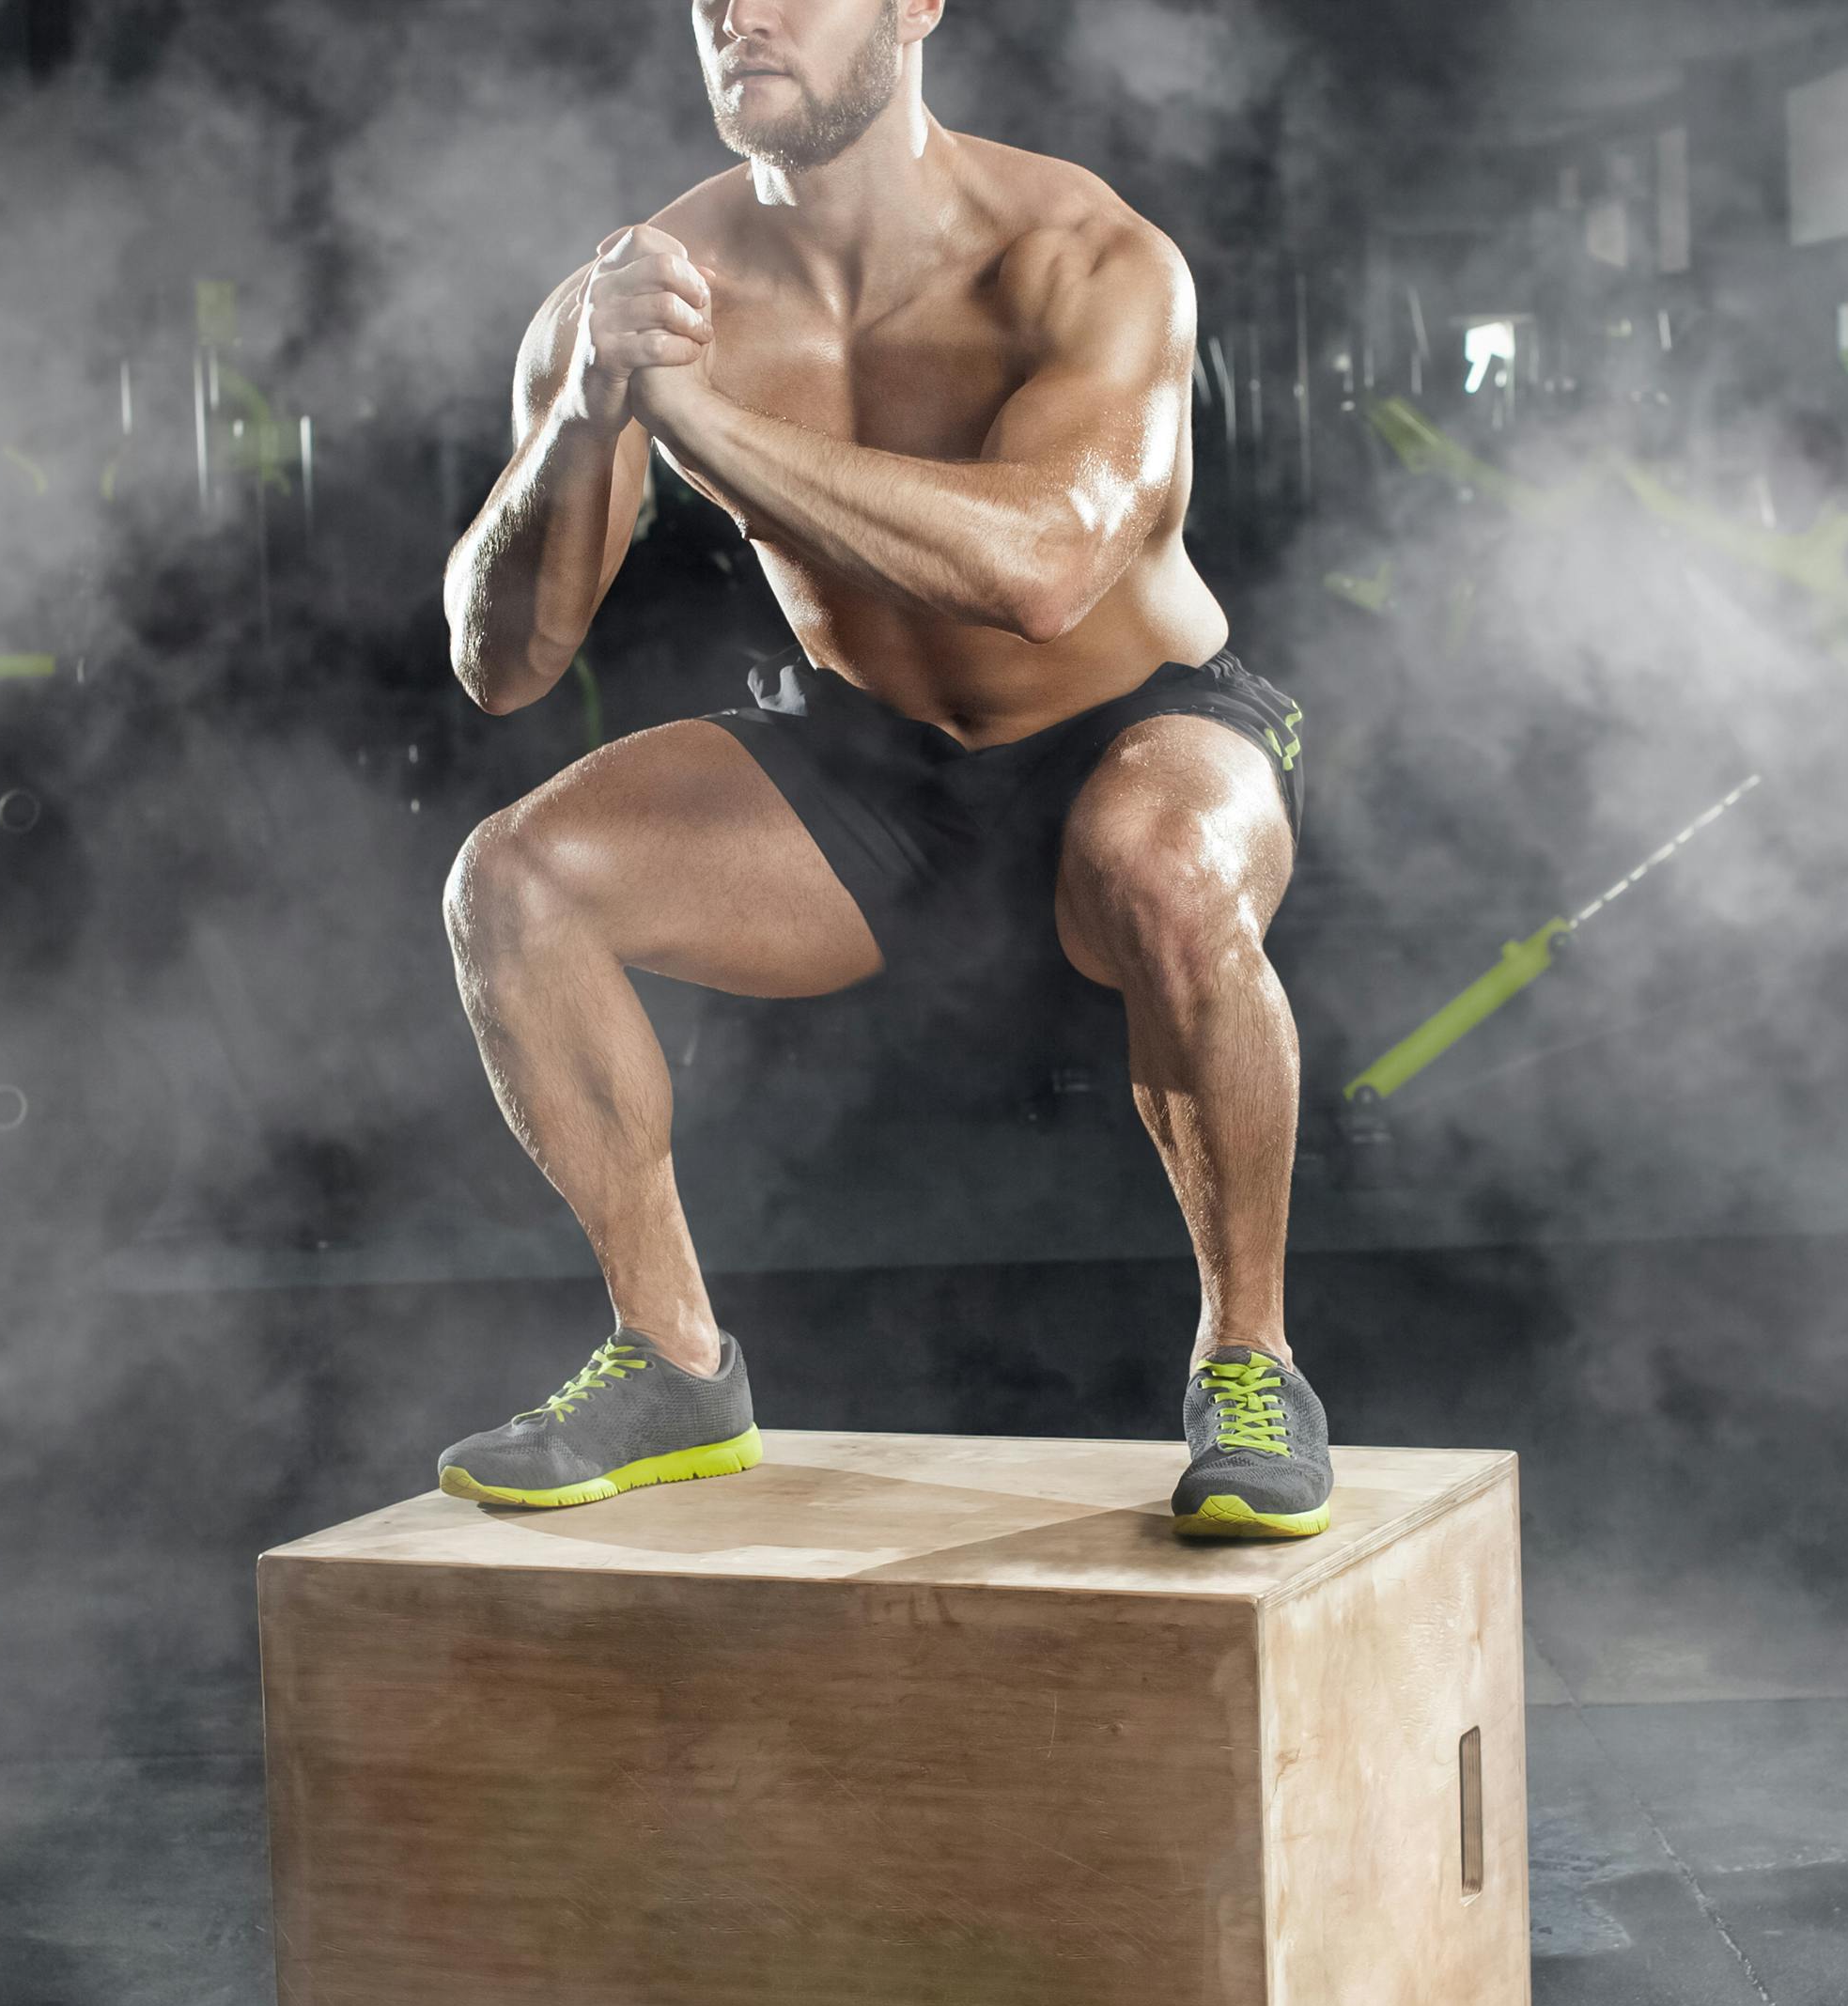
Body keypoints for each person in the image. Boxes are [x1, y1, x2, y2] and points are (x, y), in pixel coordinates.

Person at [430, 0, 1328, 1539]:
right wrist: (588, 415)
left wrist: (694, 418)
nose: (743, 14)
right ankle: (672, 1364)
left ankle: (1253, 1366)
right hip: (872, 761)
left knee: (1163, 865)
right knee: (512, 882)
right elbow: (499, 664)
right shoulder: (644, 291)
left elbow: (1045, 569)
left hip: (1143, 723)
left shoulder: (1086, 256)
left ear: (916, 4)